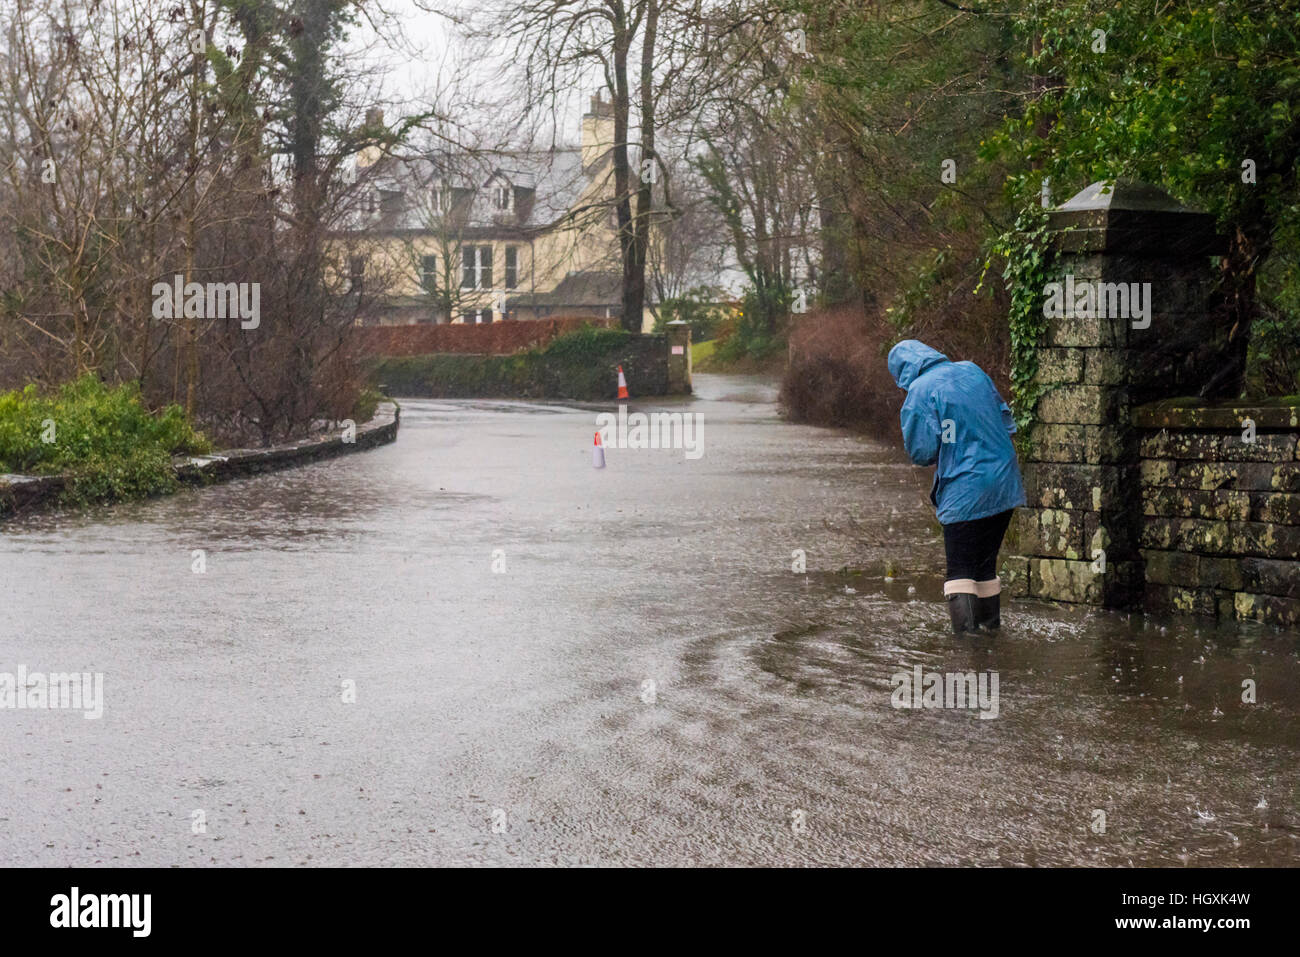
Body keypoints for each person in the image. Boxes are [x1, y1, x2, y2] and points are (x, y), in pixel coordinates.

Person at [887, 340, 1026, 634]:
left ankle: (966, 649)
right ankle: (991, 639)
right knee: (985, 567)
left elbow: (921, 452)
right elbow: (1006, 421)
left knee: (960, 570)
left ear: (901, 373)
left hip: (965, 490)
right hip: (1004, 482)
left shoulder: (919, 392)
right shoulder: (972, 371)